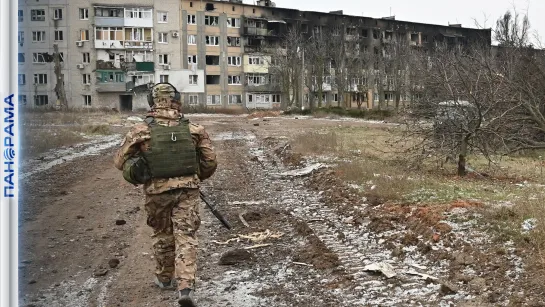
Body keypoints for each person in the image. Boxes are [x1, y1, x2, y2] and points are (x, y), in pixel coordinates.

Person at [113, 83, 217, 307]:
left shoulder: (140, 130)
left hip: (156, 192)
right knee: (186, 236)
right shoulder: (195, 129)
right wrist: (195, 175)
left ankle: (163, 278)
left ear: (152, 102)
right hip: (187, 190)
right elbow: (210, 162)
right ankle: (185, 288)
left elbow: (119, 161)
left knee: (162, 234)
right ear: (177, 100)